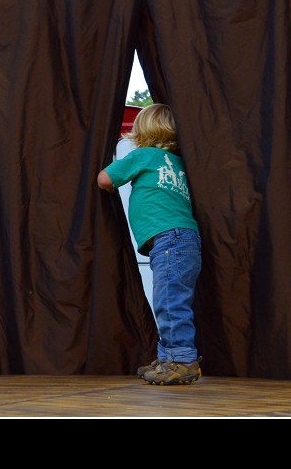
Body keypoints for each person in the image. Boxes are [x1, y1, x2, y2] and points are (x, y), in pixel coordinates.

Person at [97, 103, 203, 385]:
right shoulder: (181, 163)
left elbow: (103, 179)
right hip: (187, 239)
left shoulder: (143, 156)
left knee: (169, 302)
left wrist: (112, 186)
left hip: (169, 240)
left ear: (142, 132)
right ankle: (168, 359)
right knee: (173, 300)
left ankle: (182, 361)